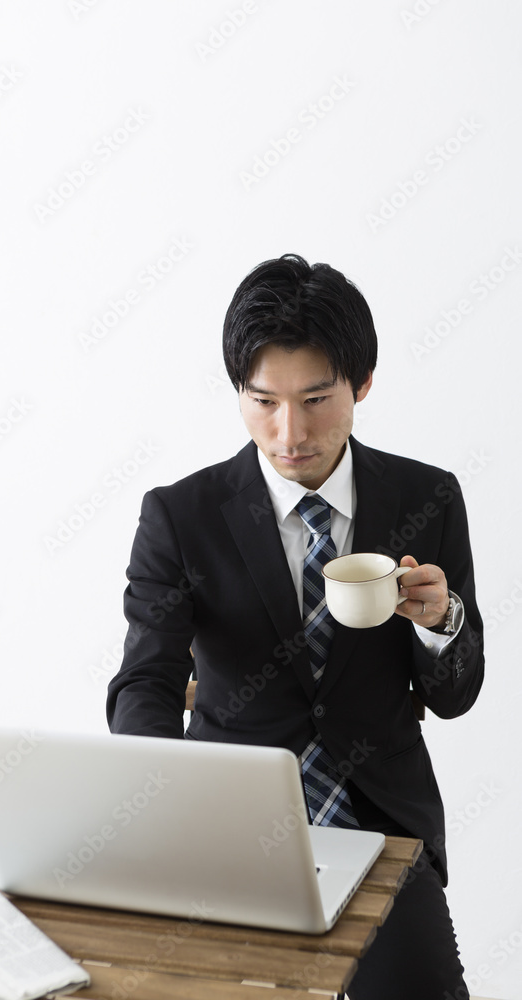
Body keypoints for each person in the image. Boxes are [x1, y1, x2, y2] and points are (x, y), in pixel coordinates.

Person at [106, 253, 484, 998]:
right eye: (263, 401)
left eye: (315, 399)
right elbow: (145, 681)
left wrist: (440, 621)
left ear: (361, 384)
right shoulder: (180, 516)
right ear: (238, 393)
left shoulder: (427, 497)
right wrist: (170, 807)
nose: (289, 432)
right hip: (226, 828)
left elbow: (455, 695)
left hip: (381, 824)